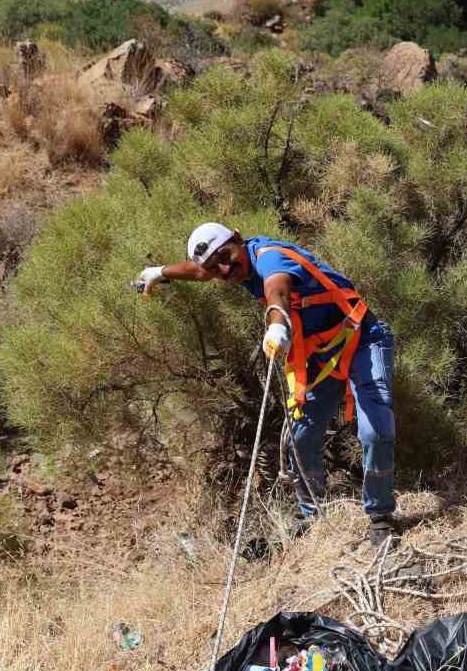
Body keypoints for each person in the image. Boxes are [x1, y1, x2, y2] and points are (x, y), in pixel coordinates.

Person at [134, 222, 398, 550]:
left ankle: (380, 516)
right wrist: (160, 272)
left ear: (238, 238)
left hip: (363, 340)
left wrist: (278, 325)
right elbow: (200, 271)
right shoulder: (227, 265)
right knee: (300, 438)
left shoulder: (270, 258)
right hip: (322, 358)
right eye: (215, 267)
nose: (224, 269)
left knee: (375, 429)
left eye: (226, 257)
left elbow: (278, 291)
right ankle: (312, 515)